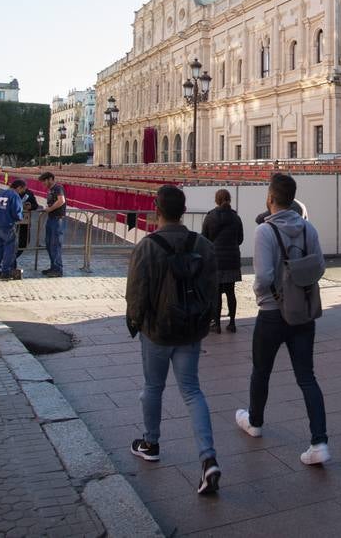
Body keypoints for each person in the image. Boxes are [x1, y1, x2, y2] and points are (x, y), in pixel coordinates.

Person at [124, 185, 222, 496]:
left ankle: (151, 442)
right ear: (183, 210)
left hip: (157, 329)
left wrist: (135, 322)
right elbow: (212, 288)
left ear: (157, 210)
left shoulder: (147, 246)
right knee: (192, 391)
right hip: (190, 329)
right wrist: (204, 319)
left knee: (153, 387)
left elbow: (135, 293)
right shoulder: (203, 245)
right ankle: (208, 459)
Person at [235, 172, 330, 466]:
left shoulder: (264, 231)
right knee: (307, 377)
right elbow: (320, 266)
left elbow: (262, 277)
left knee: (261, 371)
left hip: (272, 315)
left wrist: (262, 293)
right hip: (302, 313)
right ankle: (319, 442)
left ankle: (255, 421)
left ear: (271, 198)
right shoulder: (308, 229)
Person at [201, 188, 243, 333]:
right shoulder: (235, 217)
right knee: (231, 292)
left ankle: (217, 324)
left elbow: (204, 239)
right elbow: (240, 239)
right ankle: (232, 323)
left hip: (216, 260)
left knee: (216, 293)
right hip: (232, 259)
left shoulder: (210, 217)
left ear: (216, 200)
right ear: (229, 199)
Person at [0, 178, 26, 280]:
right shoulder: (14, 196)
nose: (22, 192)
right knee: (10, 250)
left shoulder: (1, 194)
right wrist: (20, 217)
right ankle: (6, 272)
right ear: (19, 187)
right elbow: (17, 212)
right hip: (9, 225)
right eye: (22, 190)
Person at [39, 172, 67, 277]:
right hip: (51, 219)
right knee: (49, 244)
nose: (43, 184)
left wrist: (49, 209)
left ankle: (58, 269)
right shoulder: (51, 190)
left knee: (55, 245)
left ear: (50, 179)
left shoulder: (58, 188)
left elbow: (61, 201)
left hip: (57, 219)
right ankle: (53, 267)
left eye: (44, 181)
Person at [15, 183, 38, 266]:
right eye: (23, 188)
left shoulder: (29, 193)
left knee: (24, 242)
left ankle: (12, 258)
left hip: (24, 221)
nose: (24, 190)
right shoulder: (12, 193)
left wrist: (30, 207)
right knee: (9, 242)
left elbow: (36, 205)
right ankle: (8, 261)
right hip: (12, 221)